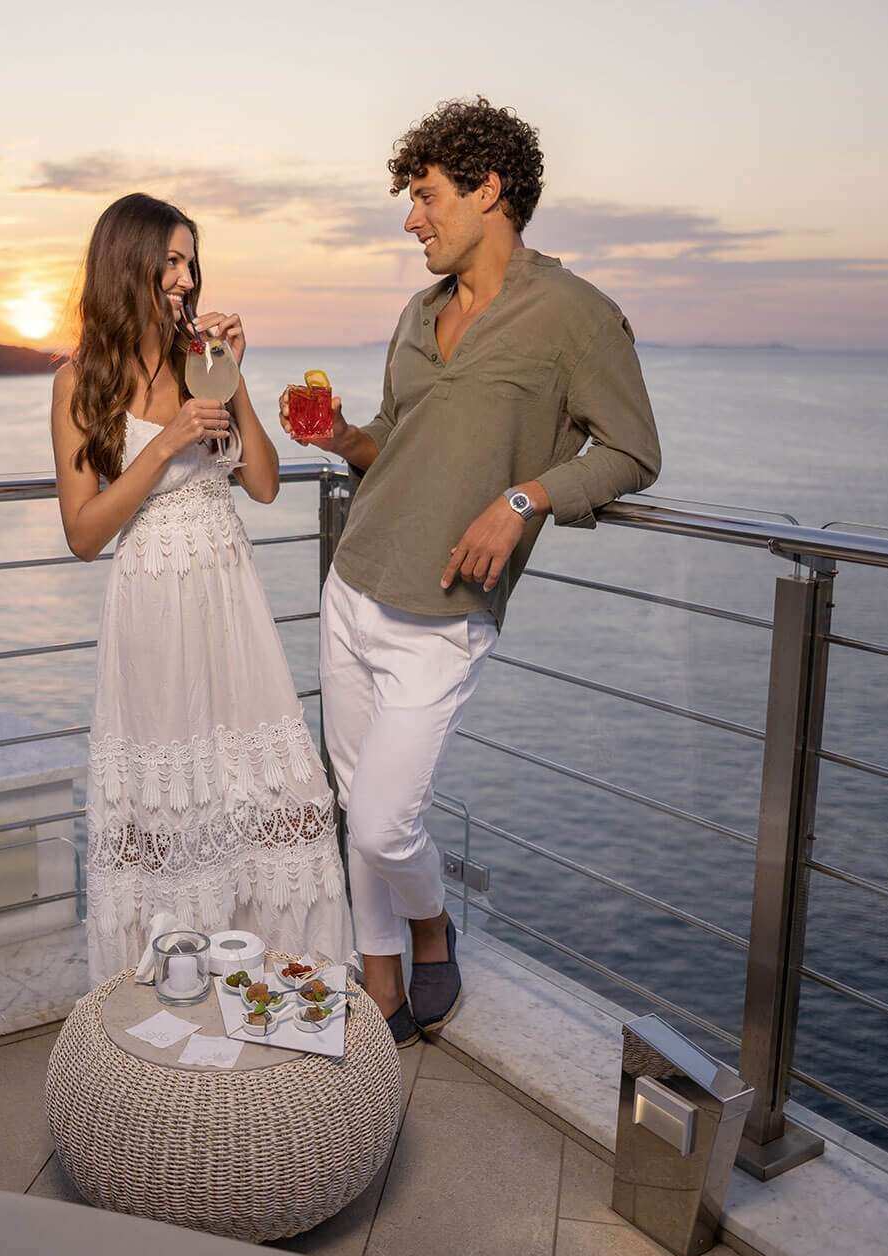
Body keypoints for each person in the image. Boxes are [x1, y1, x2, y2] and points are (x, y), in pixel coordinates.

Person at [284, 98, 663, 1046]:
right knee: (350, 796)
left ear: (488, 191)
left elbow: (632, 451)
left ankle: (429, 925)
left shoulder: (574, 316)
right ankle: (379, 984)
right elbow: (396, 446)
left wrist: (526, 497)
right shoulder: (420, 311)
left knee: (380, 823)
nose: (411, 218)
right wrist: (343, 439)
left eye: (425, 196)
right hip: (353, 580)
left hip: (443, 614)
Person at [52, 193, 351, 983]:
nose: (186, 278)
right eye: (172, 261)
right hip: (153, 603)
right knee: (173, 802)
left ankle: (282, 986)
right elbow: (84, 533)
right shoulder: (80, 380)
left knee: (268, 788)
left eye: (191, 261)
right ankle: (168, 993)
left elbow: (262, 483)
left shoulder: (204, 359)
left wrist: (235, 380)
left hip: (229, 594)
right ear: (130, 266)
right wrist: (166, 444)